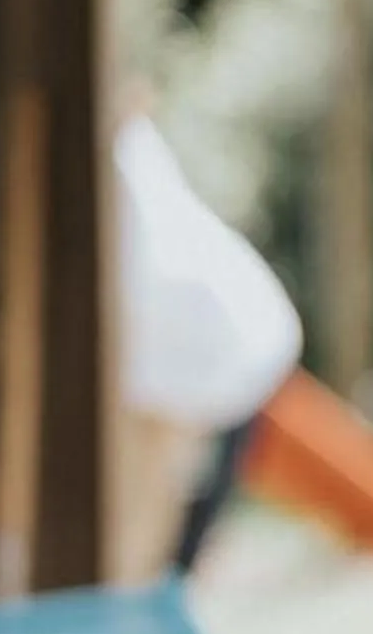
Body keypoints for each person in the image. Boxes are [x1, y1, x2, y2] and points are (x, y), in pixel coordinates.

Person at [113, 106, 302, 577]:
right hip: (201, 363)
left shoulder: (117, 154)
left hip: (209, 364)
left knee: (145, 559)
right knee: (145, 555)